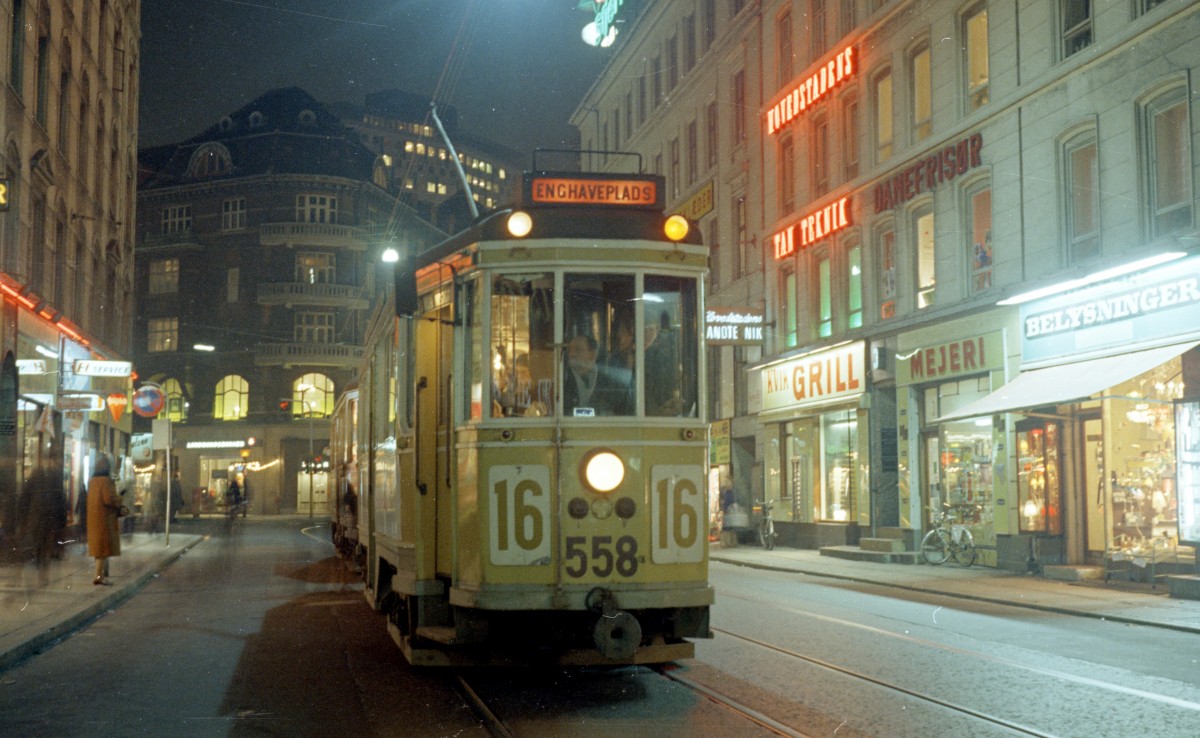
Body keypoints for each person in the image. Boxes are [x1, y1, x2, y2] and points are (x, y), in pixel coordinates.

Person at [563, 334, 631, 416]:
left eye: (577, 350)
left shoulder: (612, 384)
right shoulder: (562, 380)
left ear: (592, 355)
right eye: (569, 350)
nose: (571, 354)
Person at [87, 454, 122, 586]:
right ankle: (99, 576)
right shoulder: (106, 481)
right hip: (104, 519)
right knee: (103, 549)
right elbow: (109, 499)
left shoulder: (92, 481)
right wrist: (120, 498)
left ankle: (100, 574)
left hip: (93, 519)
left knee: (99, 549)